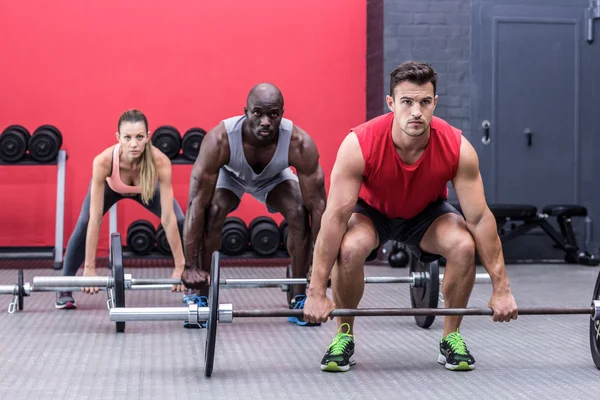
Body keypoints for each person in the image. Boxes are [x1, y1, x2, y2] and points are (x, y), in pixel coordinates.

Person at [303, 61, 518, 372]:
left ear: (435, 103)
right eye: (407, 102)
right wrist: (315, 291)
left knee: (463, 245)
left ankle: (451, 337)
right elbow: (334, 221)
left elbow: (480, 219)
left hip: (426, 215)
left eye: (424, 102)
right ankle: (344, 334)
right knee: (349, 249)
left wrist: (502, 288)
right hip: (372, 213)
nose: (416, 111)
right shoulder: (359, 144)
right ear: (391, 103)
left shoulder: (457, 148)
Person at [181, 82, 327, 326]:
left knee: (300, 211)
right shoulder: (220, 140)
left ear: (282, 112)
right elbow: (196, 204)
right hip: (232, 176)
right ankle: (201, 296)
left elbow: (320, 207)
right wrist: (188, 265)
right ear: (246, 111)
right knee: (212, 210)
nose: (266, 121)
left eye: (273, 114)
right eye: (258, 113)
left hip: (274, 177)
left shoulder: (299, 143)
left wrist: (320, 268)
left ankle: (301, 295)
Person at [55, 109, 187, 310]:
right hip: (112, 187)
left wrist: (179, 267)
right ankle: (64, 287)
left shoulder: (160, 162)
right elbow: (95, 219)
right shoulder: (103, 161)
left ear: (148, 137)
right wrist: (90, 269)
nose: (134, 144)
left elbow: (167, 219)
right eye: (128, 137)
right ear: (118, 138)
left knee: (179, 220)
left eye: (139, 137)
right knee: (84, 223)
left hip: (147, 188)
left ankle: (191, 280)